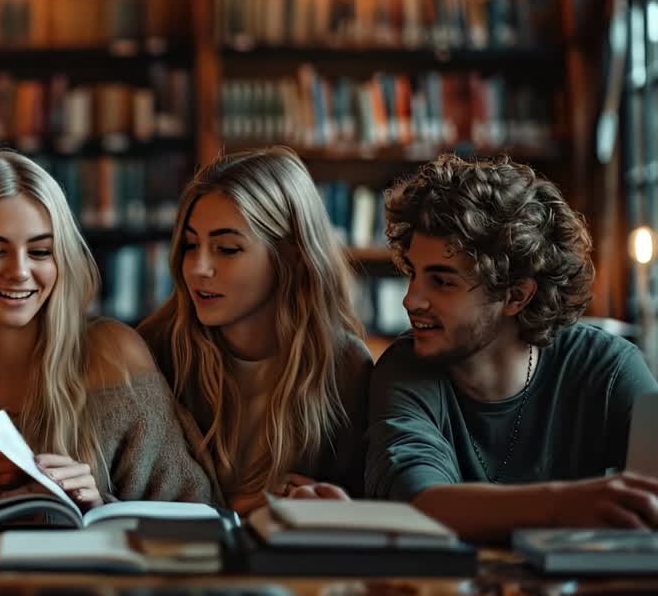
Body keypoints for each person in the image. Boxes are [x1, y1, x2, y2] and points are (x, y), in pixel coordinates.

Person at [0, 150, 210, 510]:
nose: (19, 271)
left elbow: (191, 511)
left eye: (40, 252)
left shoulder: (114, 353)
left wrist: (99, 506)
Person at [366, 154, 658, 541]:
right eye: (414, 274)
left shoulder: (607, 368)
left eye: (442, 282)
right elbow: (419, 505)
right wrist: (564, 505)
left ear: (516, 296)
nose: (411, 300)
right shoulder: (405, 369)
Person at [137, 147, 371, 514]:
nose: (198, 268)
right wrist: (240, 506)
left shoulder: (346, 366)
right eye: (190, 245)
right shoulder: (153, 350)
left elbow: (360, 508)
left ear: (292, 253)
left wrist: (329, 503)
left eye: (227, 249)